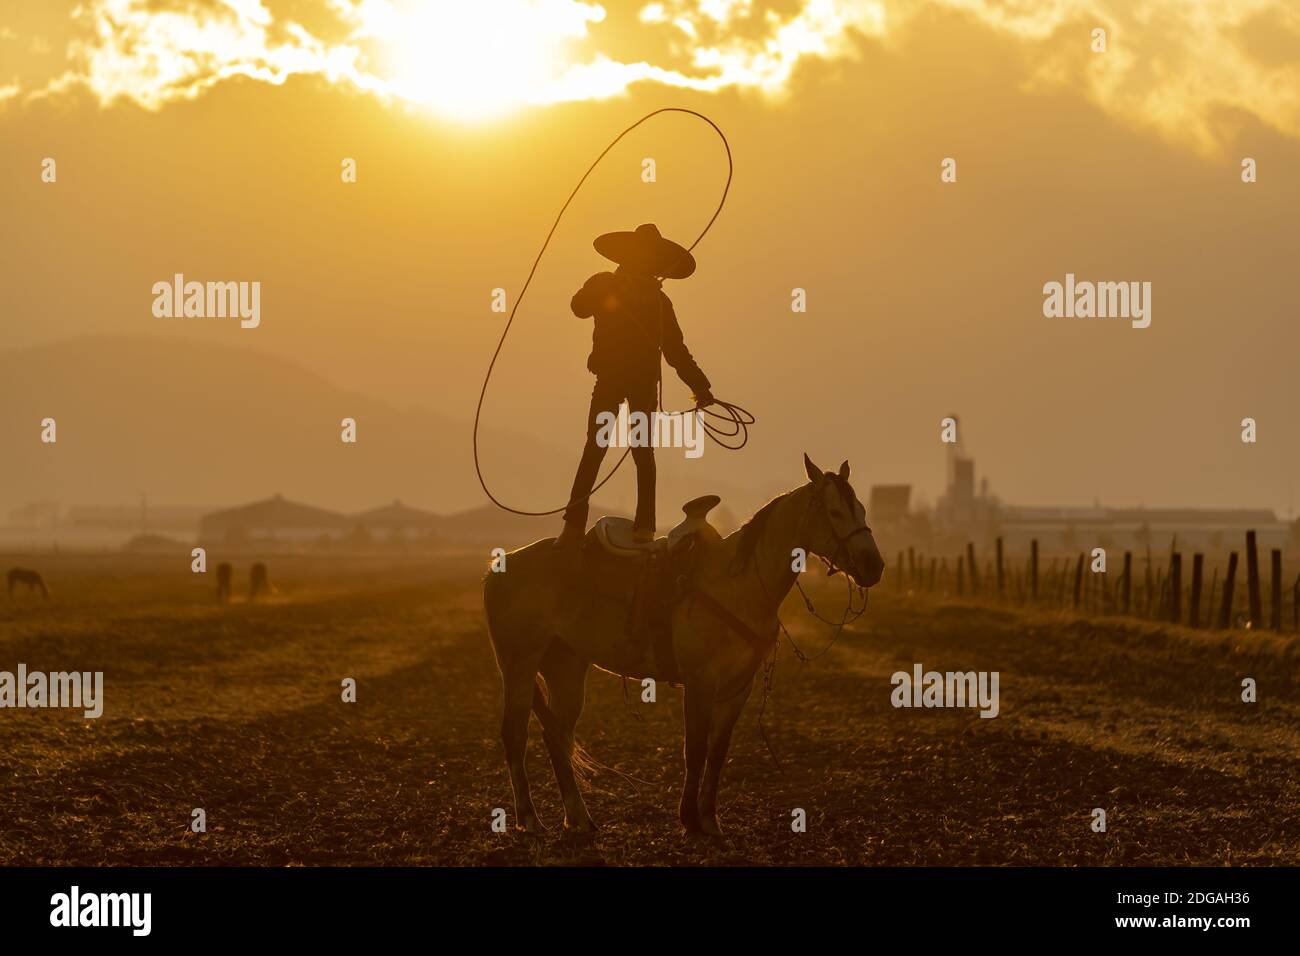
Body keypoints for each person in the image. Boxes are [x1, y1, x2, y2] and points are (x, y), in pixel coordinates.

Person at [554, 223, 713, 550]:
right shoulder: (657, 301)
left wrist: (601, 287)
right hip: (637, 384)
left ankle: (573, 525)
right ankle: (644, 529)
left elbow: (577, 308)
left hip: (611, 380)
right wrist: (701, 389)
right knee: (642, 453)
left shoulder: (610, 285)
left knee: (595, 449)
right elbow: (676, 353)